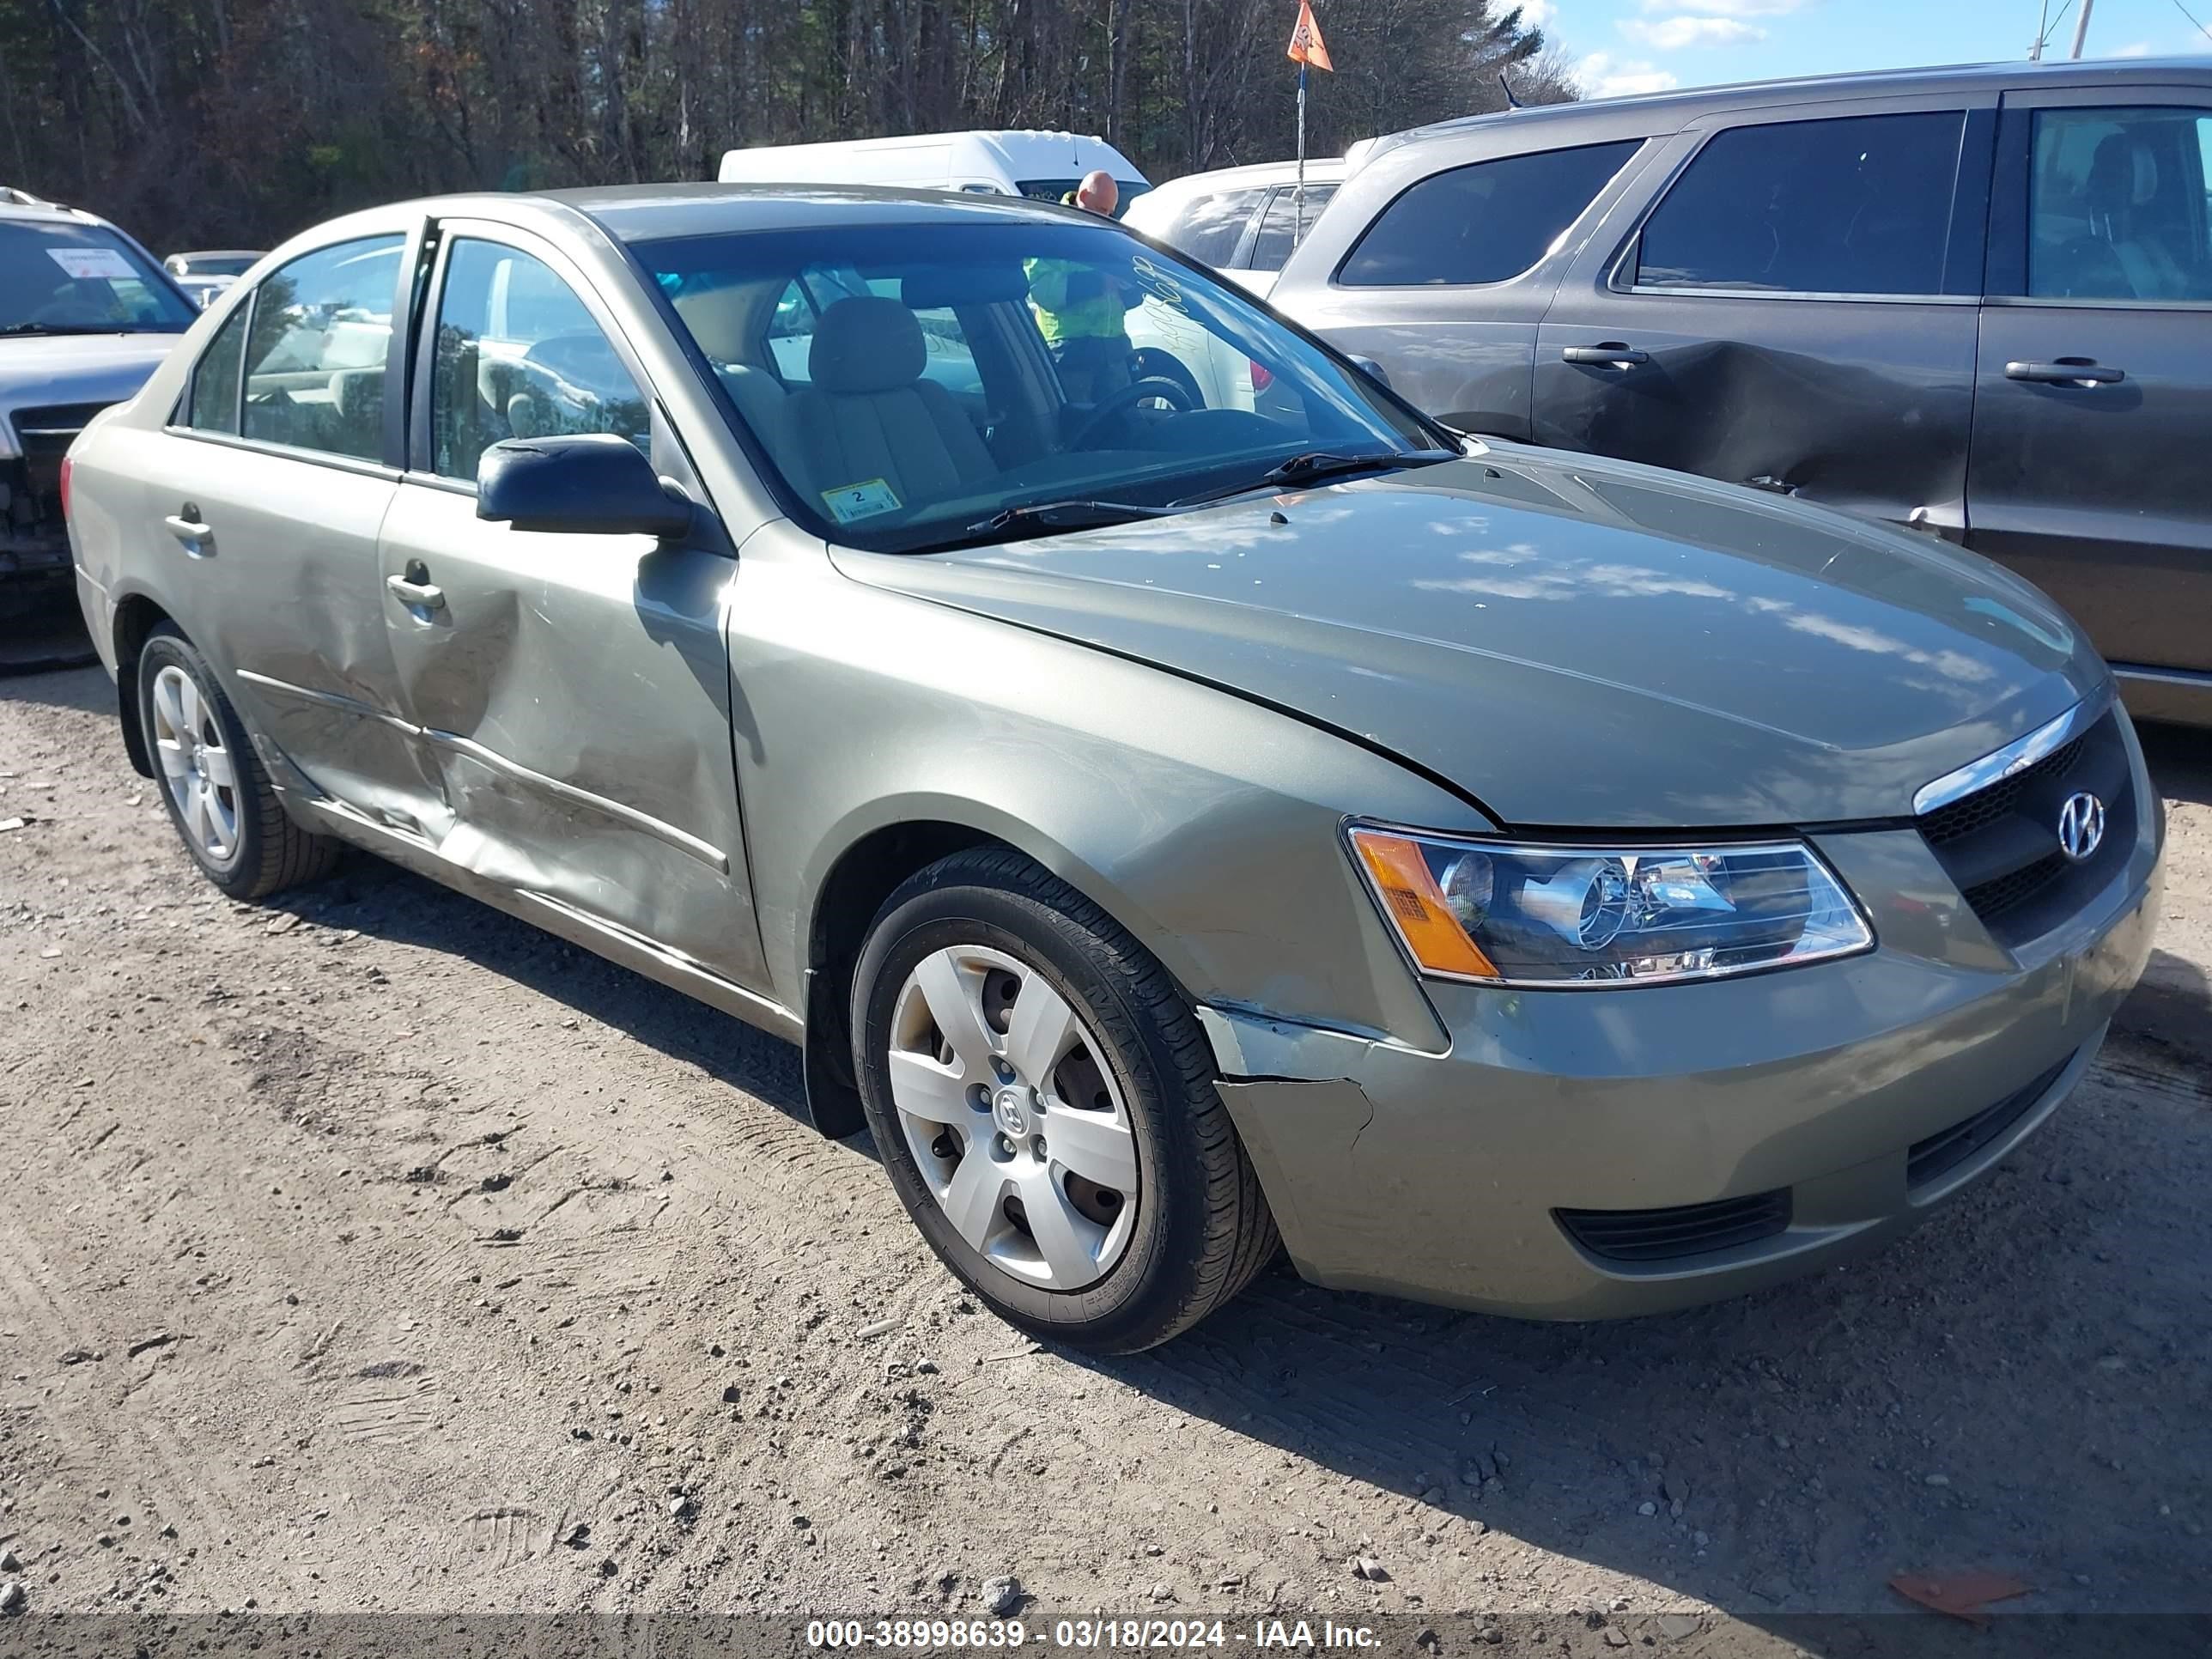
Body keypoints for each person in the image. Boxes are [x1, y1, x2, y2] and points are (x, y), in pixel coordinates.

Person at [1026, 170, 1139, 403]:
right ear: (1084, 196)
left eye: (1109, 212)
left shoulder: (1110, 233)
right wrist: (1101, 282)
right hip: (1070, 353)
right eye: (1100, 210)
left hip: (1113, 354)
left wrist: (1131, 286)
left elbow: (1131, 295)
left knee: (1125, 426)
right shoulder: (1051, 233)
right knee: (1079, 427)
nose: (1105, 217)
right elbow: (1043, 290)